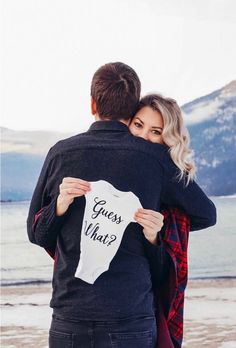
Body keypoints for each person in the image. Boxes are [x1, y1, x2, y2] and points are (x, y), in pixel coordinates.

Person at [27, 62, 216, 348]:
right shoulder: (156, 160)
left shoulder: (61, 154)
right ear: (131, 113)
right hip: (131, 319)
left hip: (70, 317)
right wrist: (161, 221)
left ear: (92, 103)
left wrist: (58, 207)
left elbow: (36, 234)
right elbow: (205, 214)